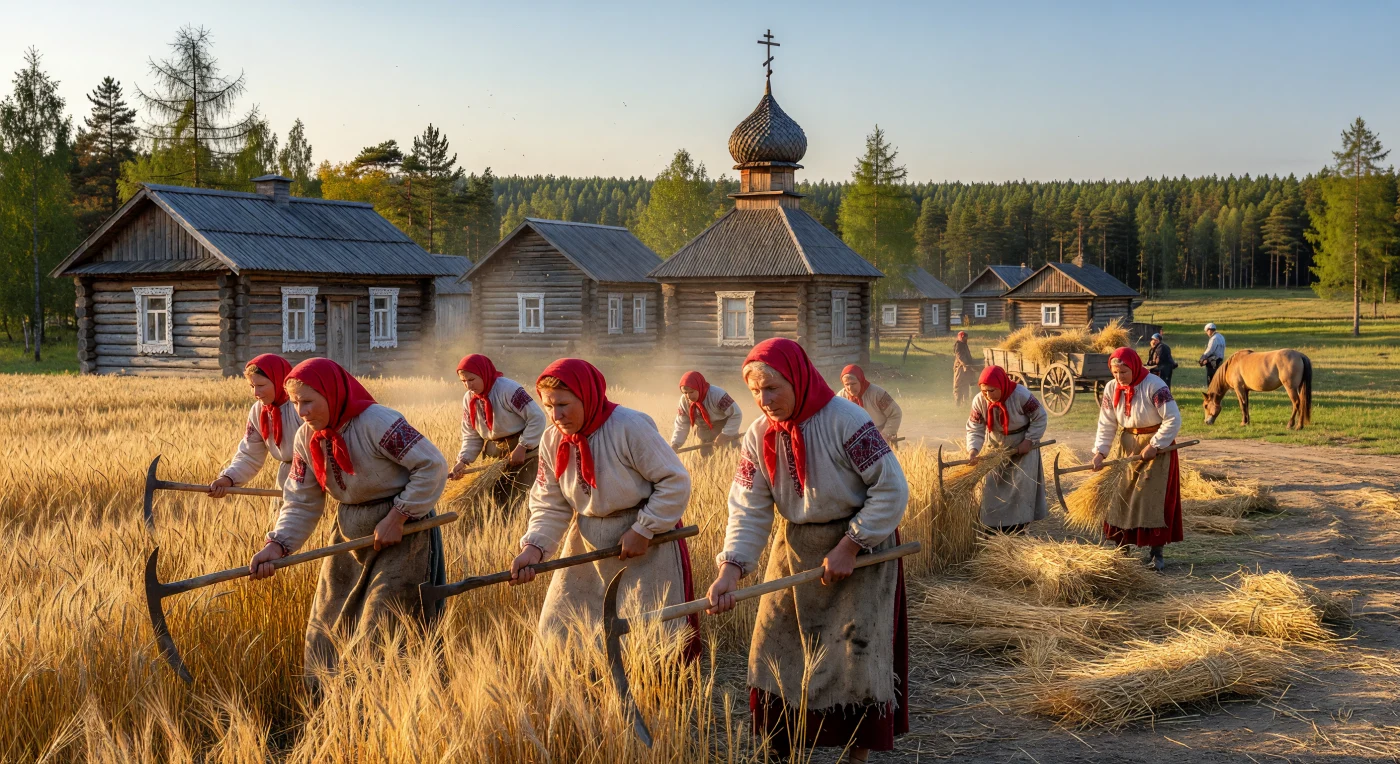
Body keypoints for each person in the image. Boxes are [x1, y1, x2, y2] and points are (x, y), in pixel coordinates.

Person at [707, 338, 910, 763]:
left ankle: (857, 756)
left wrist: (851, 545)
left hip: (862, 550)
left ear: (797, 379)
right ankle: (781, 749)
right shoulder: (758, 434)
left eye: (773, 388)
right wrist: (731, 568)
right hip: (796, 544)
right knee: (773, 646)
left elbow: (891, 488)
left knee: (856, 653)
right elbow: (748, 506)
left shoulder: (846, 420)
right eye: (756, 391)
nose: (764, 400)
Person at [248, 358, 449, 680]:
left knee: (383, 628)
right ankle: (332, 713)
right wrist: (278, 545)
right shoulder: (305, 438)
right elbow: (301, 499)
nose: (302, 412)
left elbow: (432, 465)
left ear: (332, 394)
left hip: (404, 534)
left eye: (309, 402)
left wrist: (398, 517)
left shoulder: (378, 422)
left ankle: (389, 713)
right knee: (326, 628)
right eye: (297, 403)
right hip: (347, 532)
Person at [510, 359, 700, 658]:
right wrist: (535, 547)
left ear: (586, 396)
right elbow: (550, 501)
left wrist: (644, 529)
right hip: (585, 541)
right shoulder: (552, 440)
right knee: (563, 633)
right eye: (548, 406)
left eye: (563, 404)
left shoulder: (630, 426)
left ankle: (649, 701)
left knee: (647, 639)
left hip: (644, 546)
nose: (555, 415)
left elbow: (674, 481)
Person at [1091, 347, 1183, 573]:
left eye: (1123, 372)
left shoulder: (1155, 385)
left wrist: (1155, 444)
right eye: (1115, 372)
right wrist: (1100, 452)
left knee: (1150, 497)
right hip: (1128, 448)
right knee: (1121, 496)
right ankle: (1122, 549)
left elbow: (1173, 418)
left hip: (1156, 452)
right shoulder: (1111, 388)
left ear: (1134, 367)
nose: (1119, 377)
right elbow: (1107, 422)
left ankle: (1156, 554)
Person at [451, 354, 546, 509]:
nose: (468, 385)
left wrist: (523, 446)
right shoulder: (469, 399)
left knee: (520, 496)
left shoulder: (509, 389)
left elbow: (537, 417)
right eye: (463, 381)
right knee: (494, 498)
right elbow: (471, 435)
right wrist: (463, 461)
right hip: (492, 452)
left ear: (483, 373)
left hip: (521, 449)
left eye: (472, 379)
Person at [964, 365, 1048, 534]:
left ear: (1002, 385)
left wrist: (1029, 440)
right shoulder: (979, 401)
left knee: (1020, 488)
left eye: (992, 391)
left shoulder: (1021, 395)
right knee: (994, 487)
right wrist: (973, 450)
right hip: (996, 447)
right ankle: (994, 528)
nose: (988, 395)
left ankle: (1019, 529)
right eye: (984, 391)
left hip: (1022, 446)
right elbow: (975, 427)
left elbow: (1040, 417)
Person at [208, 353, 300, 500]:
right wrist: (229, 478)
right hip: (286, 478)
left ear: (279, 381)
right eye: (252, 386)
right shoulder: (258, 411)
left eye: (261, 385)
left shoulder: (301, 406)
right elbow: (250, 455)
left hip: (317, 478)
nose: (256, 393)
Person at [669, 370, 743, 455]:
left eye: (691, 392)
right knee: (707, 460)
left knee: (730, 456)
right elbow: (682, 425)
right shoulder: (684, 402)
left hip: (723, 428)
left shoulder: (717, 394)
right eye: (685, 393)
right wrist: (675, 444)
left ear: (698, 387)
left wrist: (725, 434)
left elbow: (736, 414)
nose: (688, 396)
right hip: (704, 434)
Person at [839, 364, 903, 446]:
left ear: (861, 380)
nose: (850, 388)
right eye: (847, 385)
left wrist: (885, 434)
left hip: (882, 435)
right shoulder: (841, 398)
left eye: (853, 384)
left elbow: (895, 413)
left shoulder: (877, 394)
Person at [952, 331, 976, 406]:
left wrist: (970, 364)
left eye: (966, 338)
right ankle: (958, 403)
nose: (965, 339)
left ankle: (965, 403)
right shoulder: (958, 345)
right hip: (960, 368)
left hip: (966, 368)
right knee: (958, 385)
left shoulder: (964, 344)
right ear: (960, 337)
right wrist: (966, 365)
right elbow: (960, 357)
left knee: (966, 385)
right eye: (963, 337)